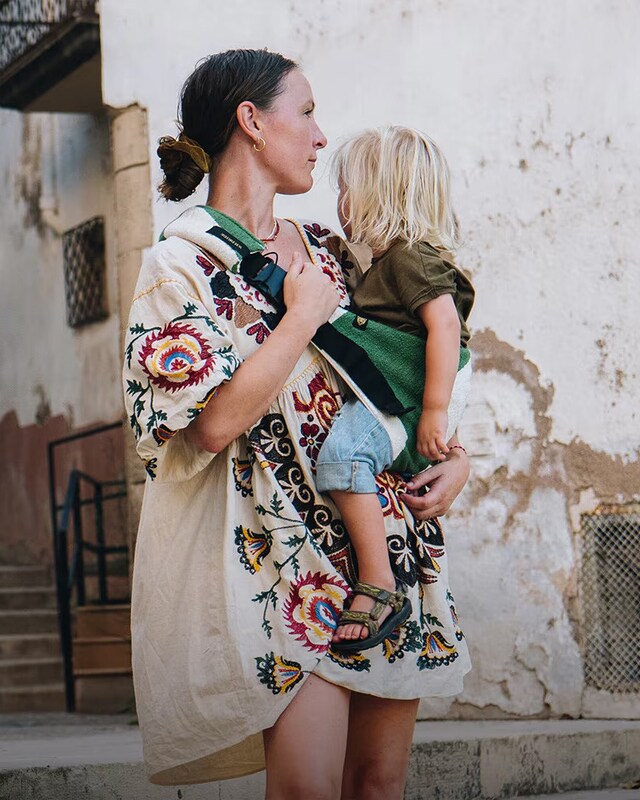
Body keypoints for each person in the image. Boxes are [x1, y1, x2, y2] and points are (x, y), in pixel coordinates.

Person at [122, 48, 471, 800]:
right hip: (280, 566)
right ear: (251, 122)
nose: (320, 137)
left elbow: (397, 371)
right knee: (309, 790)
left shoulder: (332, 251)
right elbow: (209, 428)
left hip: (381, 544)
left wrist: (456, 457)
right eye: (306, 112)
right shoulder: (178, 266)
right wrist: (301, 316)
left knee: (379, 784)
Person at [314, 127, 475, 653]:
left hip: (412, 392)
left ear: (381, 195)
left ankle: (379, 579)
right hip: (407, 389)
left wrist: (434, 411)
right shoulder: (383, 262)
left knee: (342, 457)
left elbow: (446, 328)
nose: (338, 201)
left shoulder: (411, 258)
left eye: (347, 189)